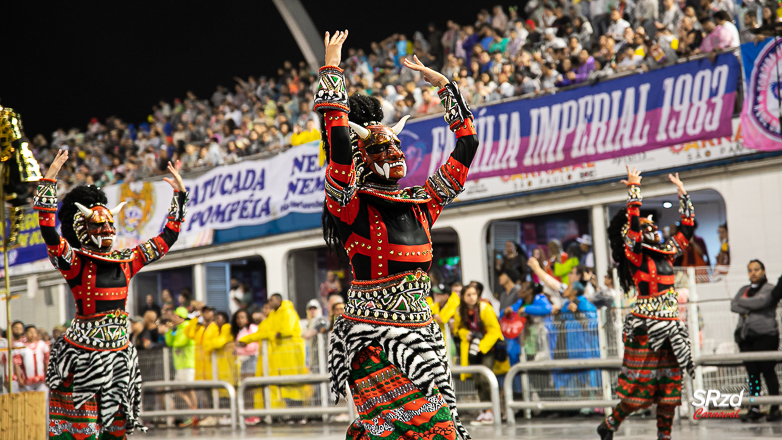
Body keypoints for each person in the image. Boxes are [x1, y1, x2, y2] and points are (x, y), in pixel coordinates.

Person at [318, 30, 478, 439]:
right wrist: (332, 67)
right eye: (380, 151)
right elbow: (337, 143)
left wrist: (444, 86)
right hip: (370, 339)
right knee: (423, 431)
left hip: (423, 336)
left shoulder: (424, 202)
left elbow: (467, 144)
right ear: (362, 159)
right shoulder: (349, 204)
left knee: (428, 430)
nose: (393, 155)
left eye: (396, 148)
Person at [35, 150, 187, 437]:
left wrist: (179, 197)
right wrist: (49, 179)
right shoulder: (74, 261)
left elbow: (167, 238)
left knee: (115, 431)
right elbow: (48, 231)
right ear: (82, 228)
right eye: (98, 225)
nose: (106, 229)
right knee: (82, 431)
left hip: (118, 357)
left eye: (109, 224)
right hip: (82, 357)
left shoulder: (127, 260)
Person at [599, 168, 695, 440]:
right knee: (639, 387)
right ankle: (610, 422)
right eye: (646, 226)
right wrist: (634, 191)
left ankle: (664, 436)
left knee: (670, 385)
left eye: (654, 225)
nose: (652, 228)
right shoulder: (635, 255)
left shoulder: (668, 252)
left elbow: (686, 229)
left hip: (672, 327)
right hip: (645, 327)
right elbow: (633, 225)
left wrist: (683, 194)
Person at [731, 260, 781, 422]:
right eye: (750, 270)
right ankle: (754, 407)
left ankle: (775, 407)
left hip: (766, 336)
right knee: (752, 375)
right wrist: (752, 305)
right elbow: (733, 305)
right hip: (746, 338)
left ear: (763, 270)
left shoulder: (770, 289)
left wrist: (744, 304)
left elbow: (763, 301)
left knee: (768, 371)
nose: (753, 273)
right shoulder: (744, 290)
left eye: (756, 269)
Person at [239, 294, 308, 411]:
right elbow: (267, 332)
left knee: (293, 383)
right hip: (280, 354)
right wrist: (246, 339)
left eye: (271, 300)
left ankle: (299, 414)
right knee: (284, 385)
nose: (269, 303)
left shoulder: (287, 312)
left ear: (278, 300)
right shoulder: (273, 315)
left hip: (291, 352)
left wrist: (274, 334)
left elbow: (285, 330)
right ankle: (289, 414)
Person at [453, 282, 503, 426]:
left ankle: (492, 411)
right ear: (463, 296)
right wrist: (466, 334)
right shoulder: (459, 311)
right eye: (468, 295)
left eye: (474, 294)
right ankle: (486, 410)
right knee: (477, 380)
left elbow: (495, 330)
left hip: (487, 349)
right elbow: (457, 329)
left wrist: (480, 346)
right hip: (470, 350)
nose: (471, 297)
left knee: (485, 379)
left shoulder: (485, 308)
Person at [165, 307, 197, 427]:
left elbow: (180, 342)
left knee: (189, 389)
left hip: (188, 364)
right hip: (179, 365)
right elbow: (169, 342)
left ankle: (194, 413)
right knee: (177, 389)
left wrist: (173, 332)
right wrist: (169, 330)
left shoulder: (187, 326)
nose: (172, 318)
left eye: (174, 316)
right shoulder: (176, 328)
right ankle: (192, 409)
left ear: (181, 317)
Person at [302, 299, 330, 372]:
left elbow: (321, 326)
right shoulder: (309, 324)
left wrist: (309, 333)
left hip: (323, 356)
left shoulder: (322, 320)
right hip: (313, 357)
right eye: (310, 309)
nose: (312, 311)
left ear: (320, 310)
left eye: (315, 308)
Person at [21, 325, 50, 393]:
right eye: (30, 332)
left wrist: (48, 375)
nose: (32, 334)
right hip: (27, 380)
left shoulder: (42, 345)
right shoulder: (21, 347)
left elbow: (46, 361)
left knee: (43, 400)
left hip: (42, 379)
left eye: (34, 332)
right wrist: (20, 379)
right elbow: (18, 364)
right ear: (25, 334)